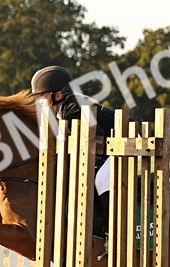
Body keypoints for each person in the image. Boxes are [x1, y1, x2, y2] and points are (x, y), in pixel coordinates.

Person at [30, 65, 115, 240]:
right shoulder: (65, 109)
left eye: (44, 96)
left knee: (100, 179)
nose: (41, 101)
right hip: (107, 146)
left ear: (58, 95)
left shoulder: (73, 109)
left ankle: (110, 232)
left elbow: (96, 135)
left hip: (125, 144)